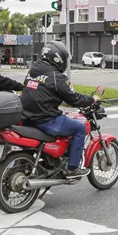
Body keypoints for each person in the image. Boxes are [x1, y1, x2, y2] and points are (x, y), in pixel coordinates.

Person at [20, 41, 100, 179]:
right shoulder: (57, 77)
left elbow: (41, 91)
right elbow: (74, 98)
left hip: (26, 118)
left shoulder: (33, 71)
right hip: (45, 119)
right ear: (58, 58)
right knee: (80, 129)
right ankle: (72, 169)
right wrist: (92, 99)